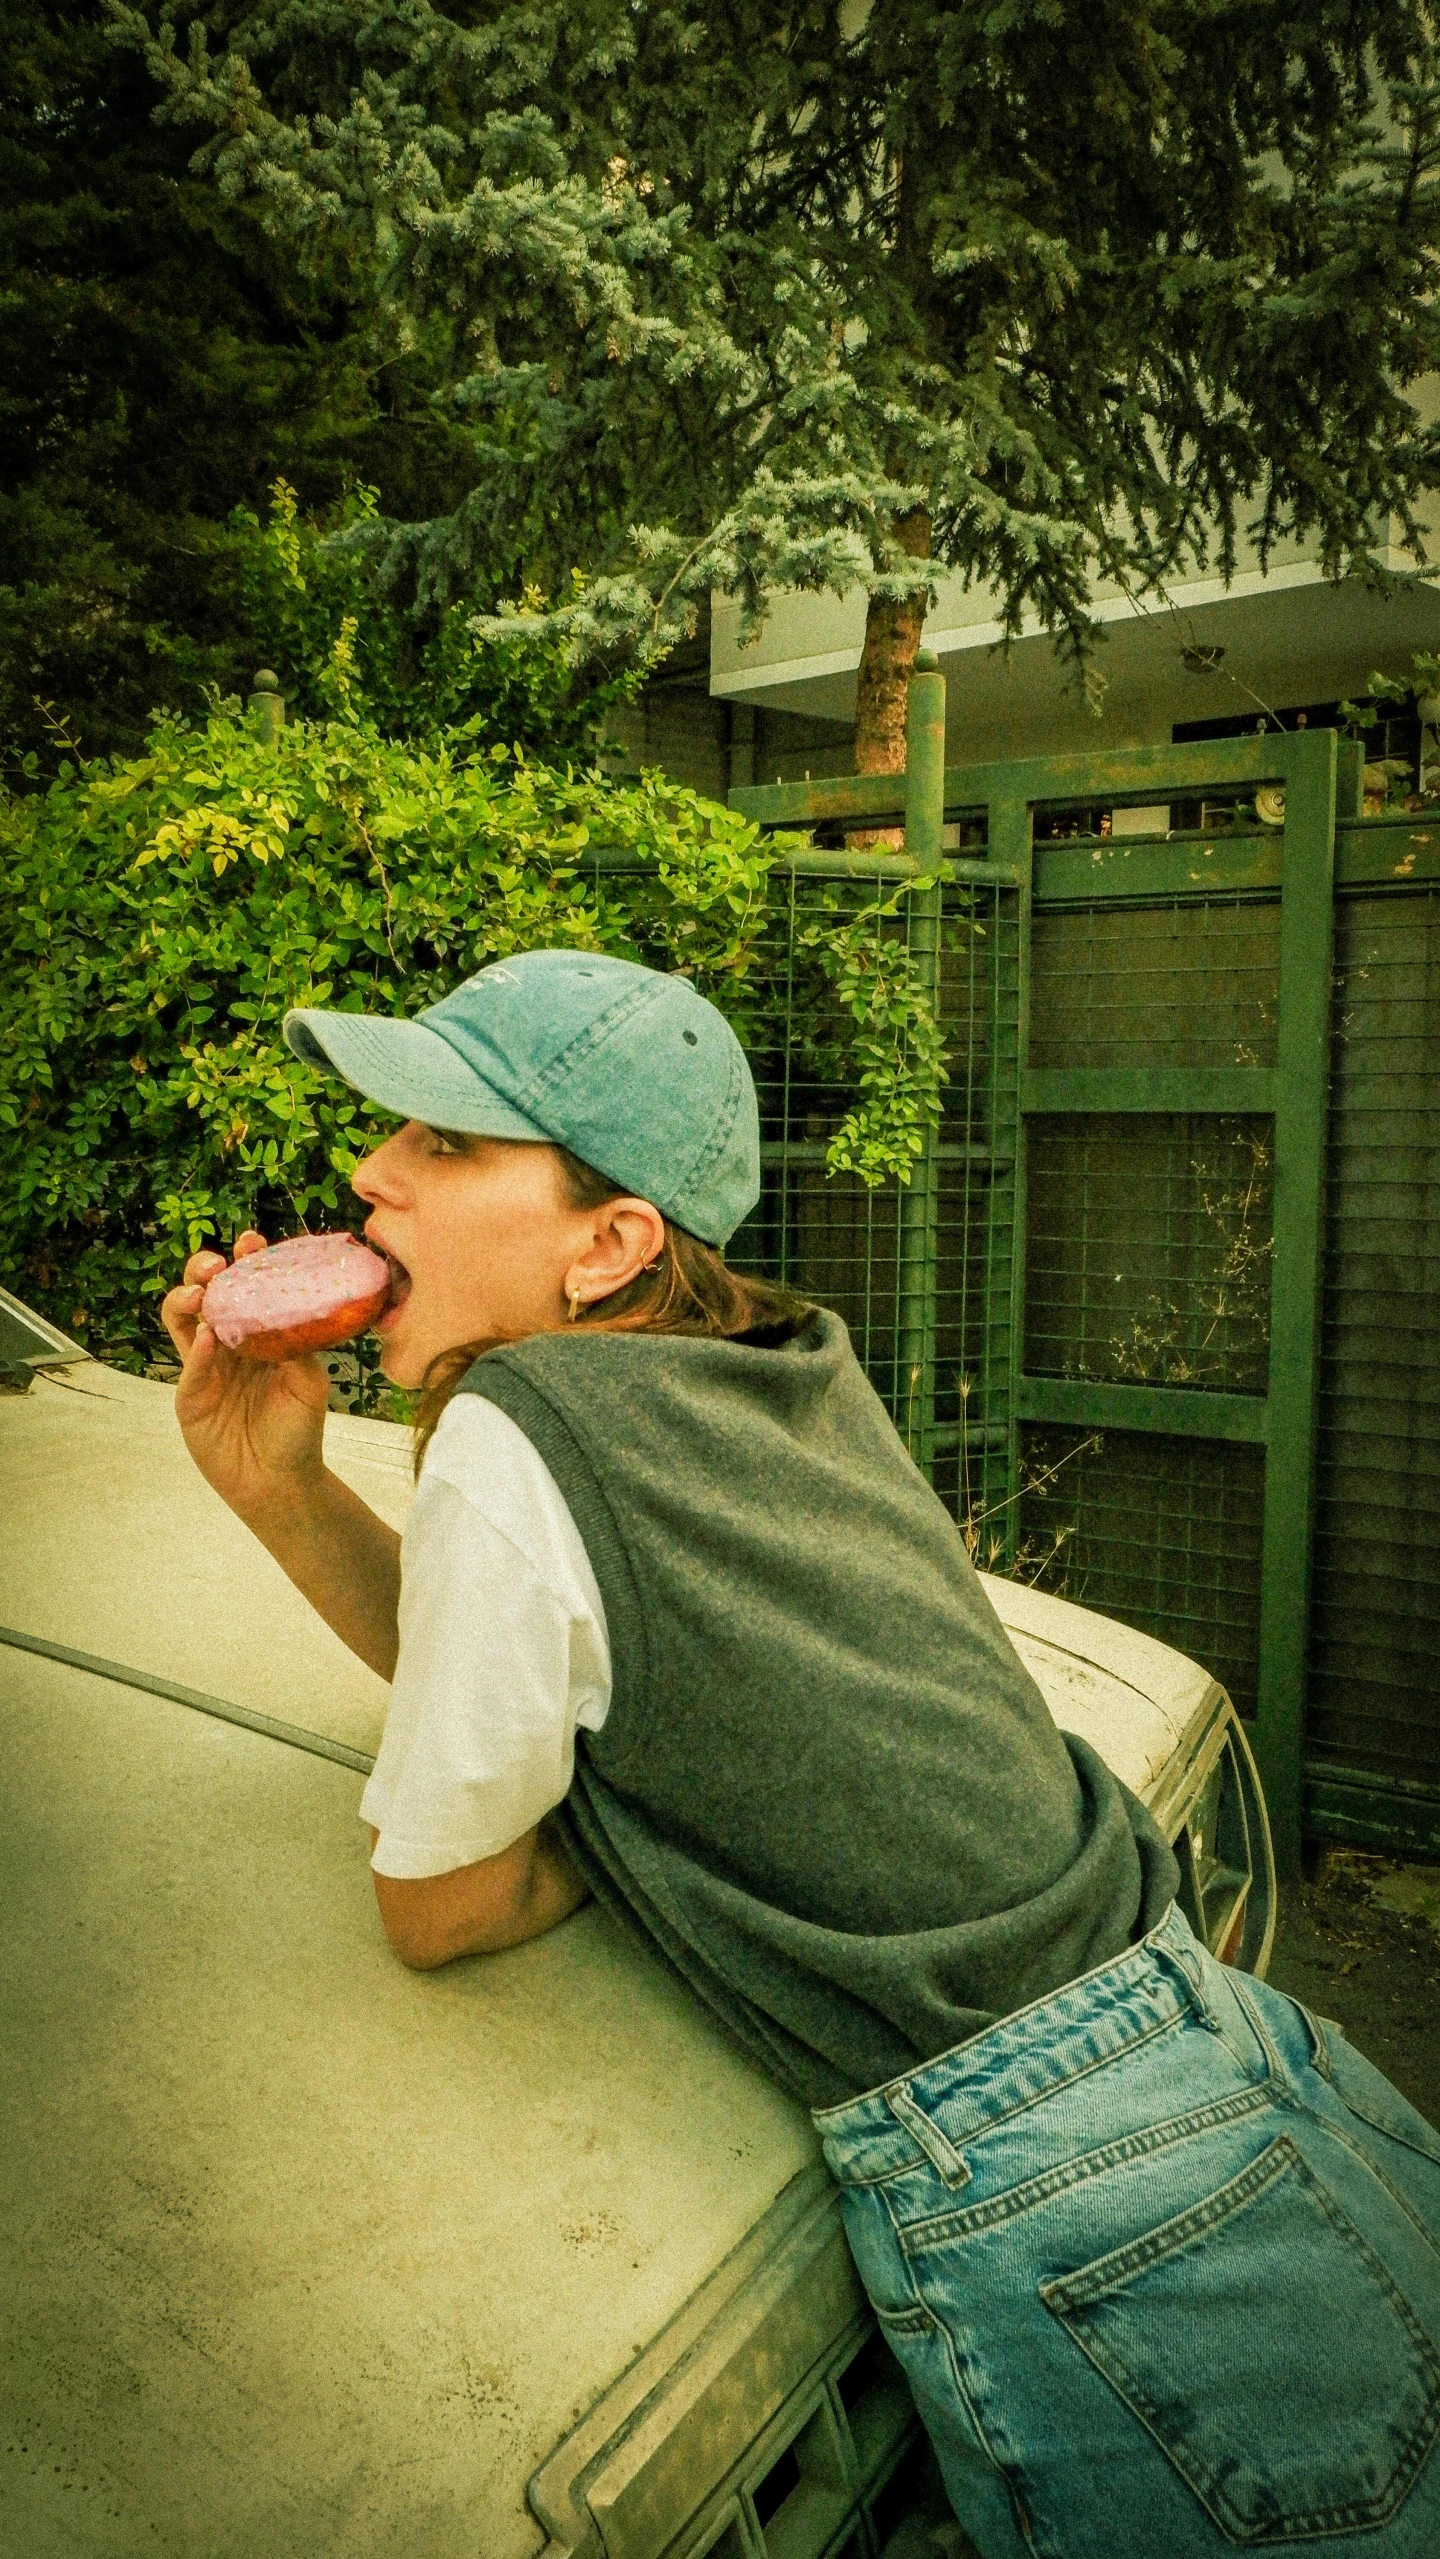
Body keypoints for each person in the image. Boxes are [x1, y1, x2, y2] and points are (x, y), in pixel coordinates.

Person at [162, 947, 1440, 2559]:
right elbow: (523, 1677)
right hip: (1239, 2042)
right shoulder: (784, 1368)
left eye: (448, 1144)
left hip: (1068, 2182)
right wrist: (280, 1485)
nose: (369, 1171)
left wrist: (612, 1827)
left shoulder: (518, 1428)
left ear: (611, 1244)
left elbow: (442, 1901)